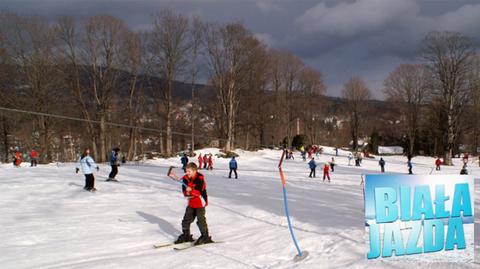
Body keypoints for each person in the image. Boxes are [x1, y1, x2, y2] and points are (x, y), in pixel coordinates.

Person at [174, 162, 213, 245]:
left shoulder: (200, 178)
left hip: (200, 202)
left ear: (194, 171)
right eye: (186, 171)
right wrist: (188, 191)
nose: (187, 173)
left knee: (200, 220)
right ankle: (186, 235)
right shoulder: (185, 179)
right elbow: (185, 193)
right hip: (191, 202)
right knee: (186, 219)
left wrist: (191, 190)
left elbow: (199, 192)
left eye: (189, 171)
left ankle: (205, 236)